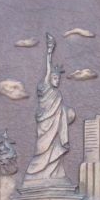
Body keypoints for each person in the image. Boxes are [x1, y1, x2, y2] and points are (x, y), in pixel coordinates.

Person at [21, 33, 75, 186]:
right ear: (49, 79)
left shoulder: (58, 94)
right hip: (45, 125)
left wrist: (66, 114)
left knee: (55, 148)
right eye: (54, 78)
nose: (57, 81)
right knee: (42, 149)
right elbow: (48, 69)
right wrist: (49, 51)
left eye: (58, 79)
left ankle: (55, 174)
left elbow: (61, 110)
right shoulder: (46, 88)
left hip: (55, 127)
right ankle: (34, 174)